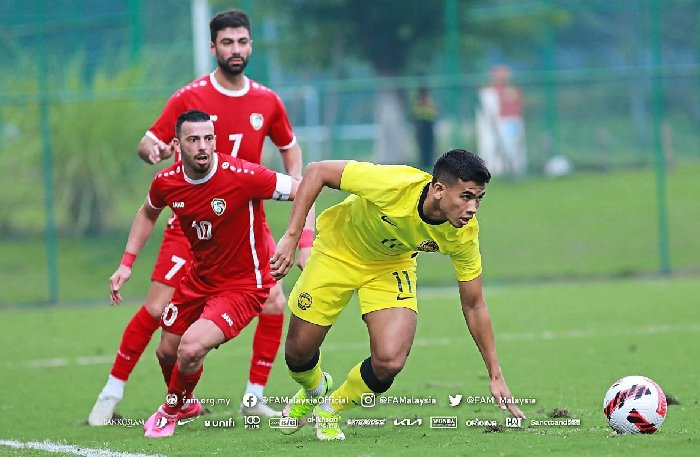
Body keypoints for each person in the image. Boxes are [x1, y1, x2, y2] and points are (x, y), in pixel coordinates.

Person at [88, 9, 314, 425]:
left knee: (274, 299)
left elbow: (292, 151)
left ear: (250, 45)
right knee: (157, 311)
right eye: (227, 42)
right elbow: (149, 143)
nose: (236, 49)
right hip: (188, 223)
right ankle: (112, 392)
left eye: (242, 41)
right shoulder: (189, 96)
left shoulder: (267, 100)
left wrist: (302, 224)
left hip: (246, 220)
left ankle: (253, 397)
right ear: (213, 47)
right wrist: (152, 151)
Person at [270, 149, 525, 441]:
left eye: (479, 198)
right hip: (338, 251)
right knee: (297, 354)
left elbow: (474, 305)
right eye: (466, 196)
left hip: (390, 265)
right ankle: (315, 388)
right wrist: (292, 238)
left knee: (390, 361)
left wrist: (495, 373)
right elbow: (317, 171)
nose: (473, 208)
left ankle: (330, 408)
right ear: (439, 190)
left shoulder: (464, 234)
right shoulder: (393, 183)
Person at [109, 110, 300, 438]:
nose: (203, 146)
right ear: (177, 144)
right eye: (193, 139)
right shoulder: (167, 183)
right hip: (199, 279)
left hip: (244, 285)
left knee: (191, 348)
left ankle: (169, 411)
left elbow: (301, 190)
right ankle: (188, 404)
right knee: (166, 352)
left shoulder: (242, 174)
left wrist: (295, 238)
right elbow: (147, 213)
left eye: (208, 138)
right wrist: (126, 263)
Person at [476, 65, 526, 177]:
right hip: (500, 123)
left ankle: (515, 169)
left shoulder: (512, 89)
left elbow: (518, 107)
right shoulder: (490, 91)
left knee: (514, 146)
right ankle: (494, 170)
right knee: (493, 147)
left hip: (512, 122)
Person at [412, 86, 437, 171]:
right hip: (422, 128)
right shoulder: (418, 103)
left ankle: (429, 164)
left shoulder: (429, 102)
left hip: (428, 128)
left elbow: (433, 113)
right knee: (423, 149)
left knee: (429, 149)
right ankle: (424, 165)